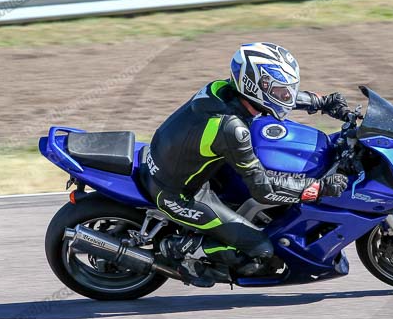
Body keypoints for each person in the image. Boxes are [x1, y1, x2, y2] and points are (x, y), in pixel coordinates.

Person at [140, 42, 350, 287]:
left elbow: (273, 100)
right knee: (262, 250)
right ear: (254, 86)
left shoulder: (222, 89)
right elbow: (264, 190)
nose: (286, 94)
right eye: (281, 89)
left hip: (178, 162)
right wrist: (318, 187)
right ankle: (183, 250)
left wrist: (321, 102)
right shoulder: (232, 129)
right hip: (178, 194)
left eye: (287, 89)